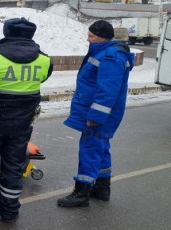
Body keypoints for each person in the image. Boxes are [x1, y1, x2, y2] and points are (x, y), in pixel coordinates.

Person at [0, 17, 52, 223]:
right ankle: (9, 212)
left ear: (7, 32)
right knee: (13, 168)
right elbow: (42, 79)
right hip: (22, 126)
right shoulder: (44, 60)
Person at [57, 20, 134, 208]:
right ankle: (101, 188)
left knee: (90, 148)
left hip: (100, 114)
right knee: (101, 147)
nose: (88, 39)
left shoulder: (110, 56)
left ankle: (81, 193)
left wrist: (96, 116)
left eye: (91, 36)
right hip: (102, 112)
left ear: (102, 37)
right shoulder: (105, 52)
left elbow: (107, 90)